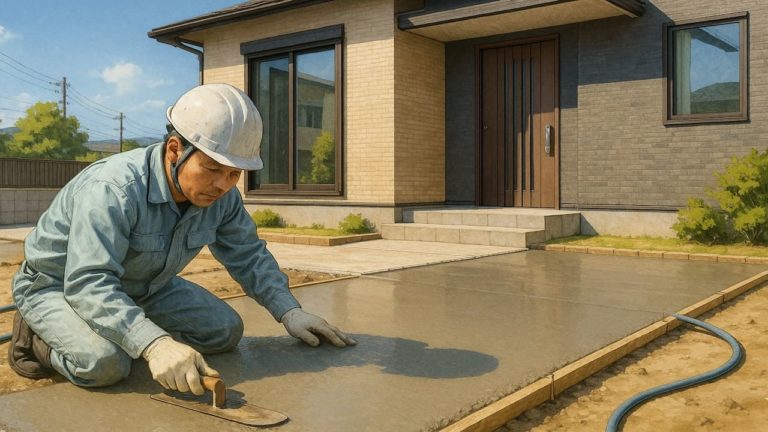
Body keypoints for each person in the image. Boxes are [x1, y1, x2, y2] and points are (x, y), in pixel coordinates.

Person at [8, 83, 356, 396]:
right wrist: (155, 343)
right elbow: (87, 283)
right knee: (105, 364)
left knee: (225, 331)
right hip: (59, 288)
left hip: (143, 288)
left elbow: (248, 256)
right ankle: (36, 339)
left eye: (235, 173)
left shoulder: (223, 198)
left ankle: (124, 326)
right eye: (213, 168)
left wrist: (289, 312)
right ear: (175, 149)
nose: (223, 184)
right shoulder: (113, 190)